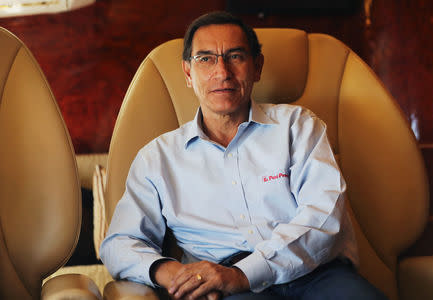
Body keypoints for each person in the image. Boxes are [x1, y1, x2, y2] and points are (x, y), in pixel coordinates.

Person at [100, 11, 388, 300]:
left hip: (317, 275)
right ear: (188, 73)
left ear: (257, 67)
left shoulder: (298, 126)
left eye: (236, 56)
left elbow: (325, 216)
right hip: (223, 286)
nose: (222, 72)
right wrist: (174, 273)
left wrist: (244, 273)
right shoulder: (158, 158)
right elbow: (119, 243)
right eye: (206, 59)